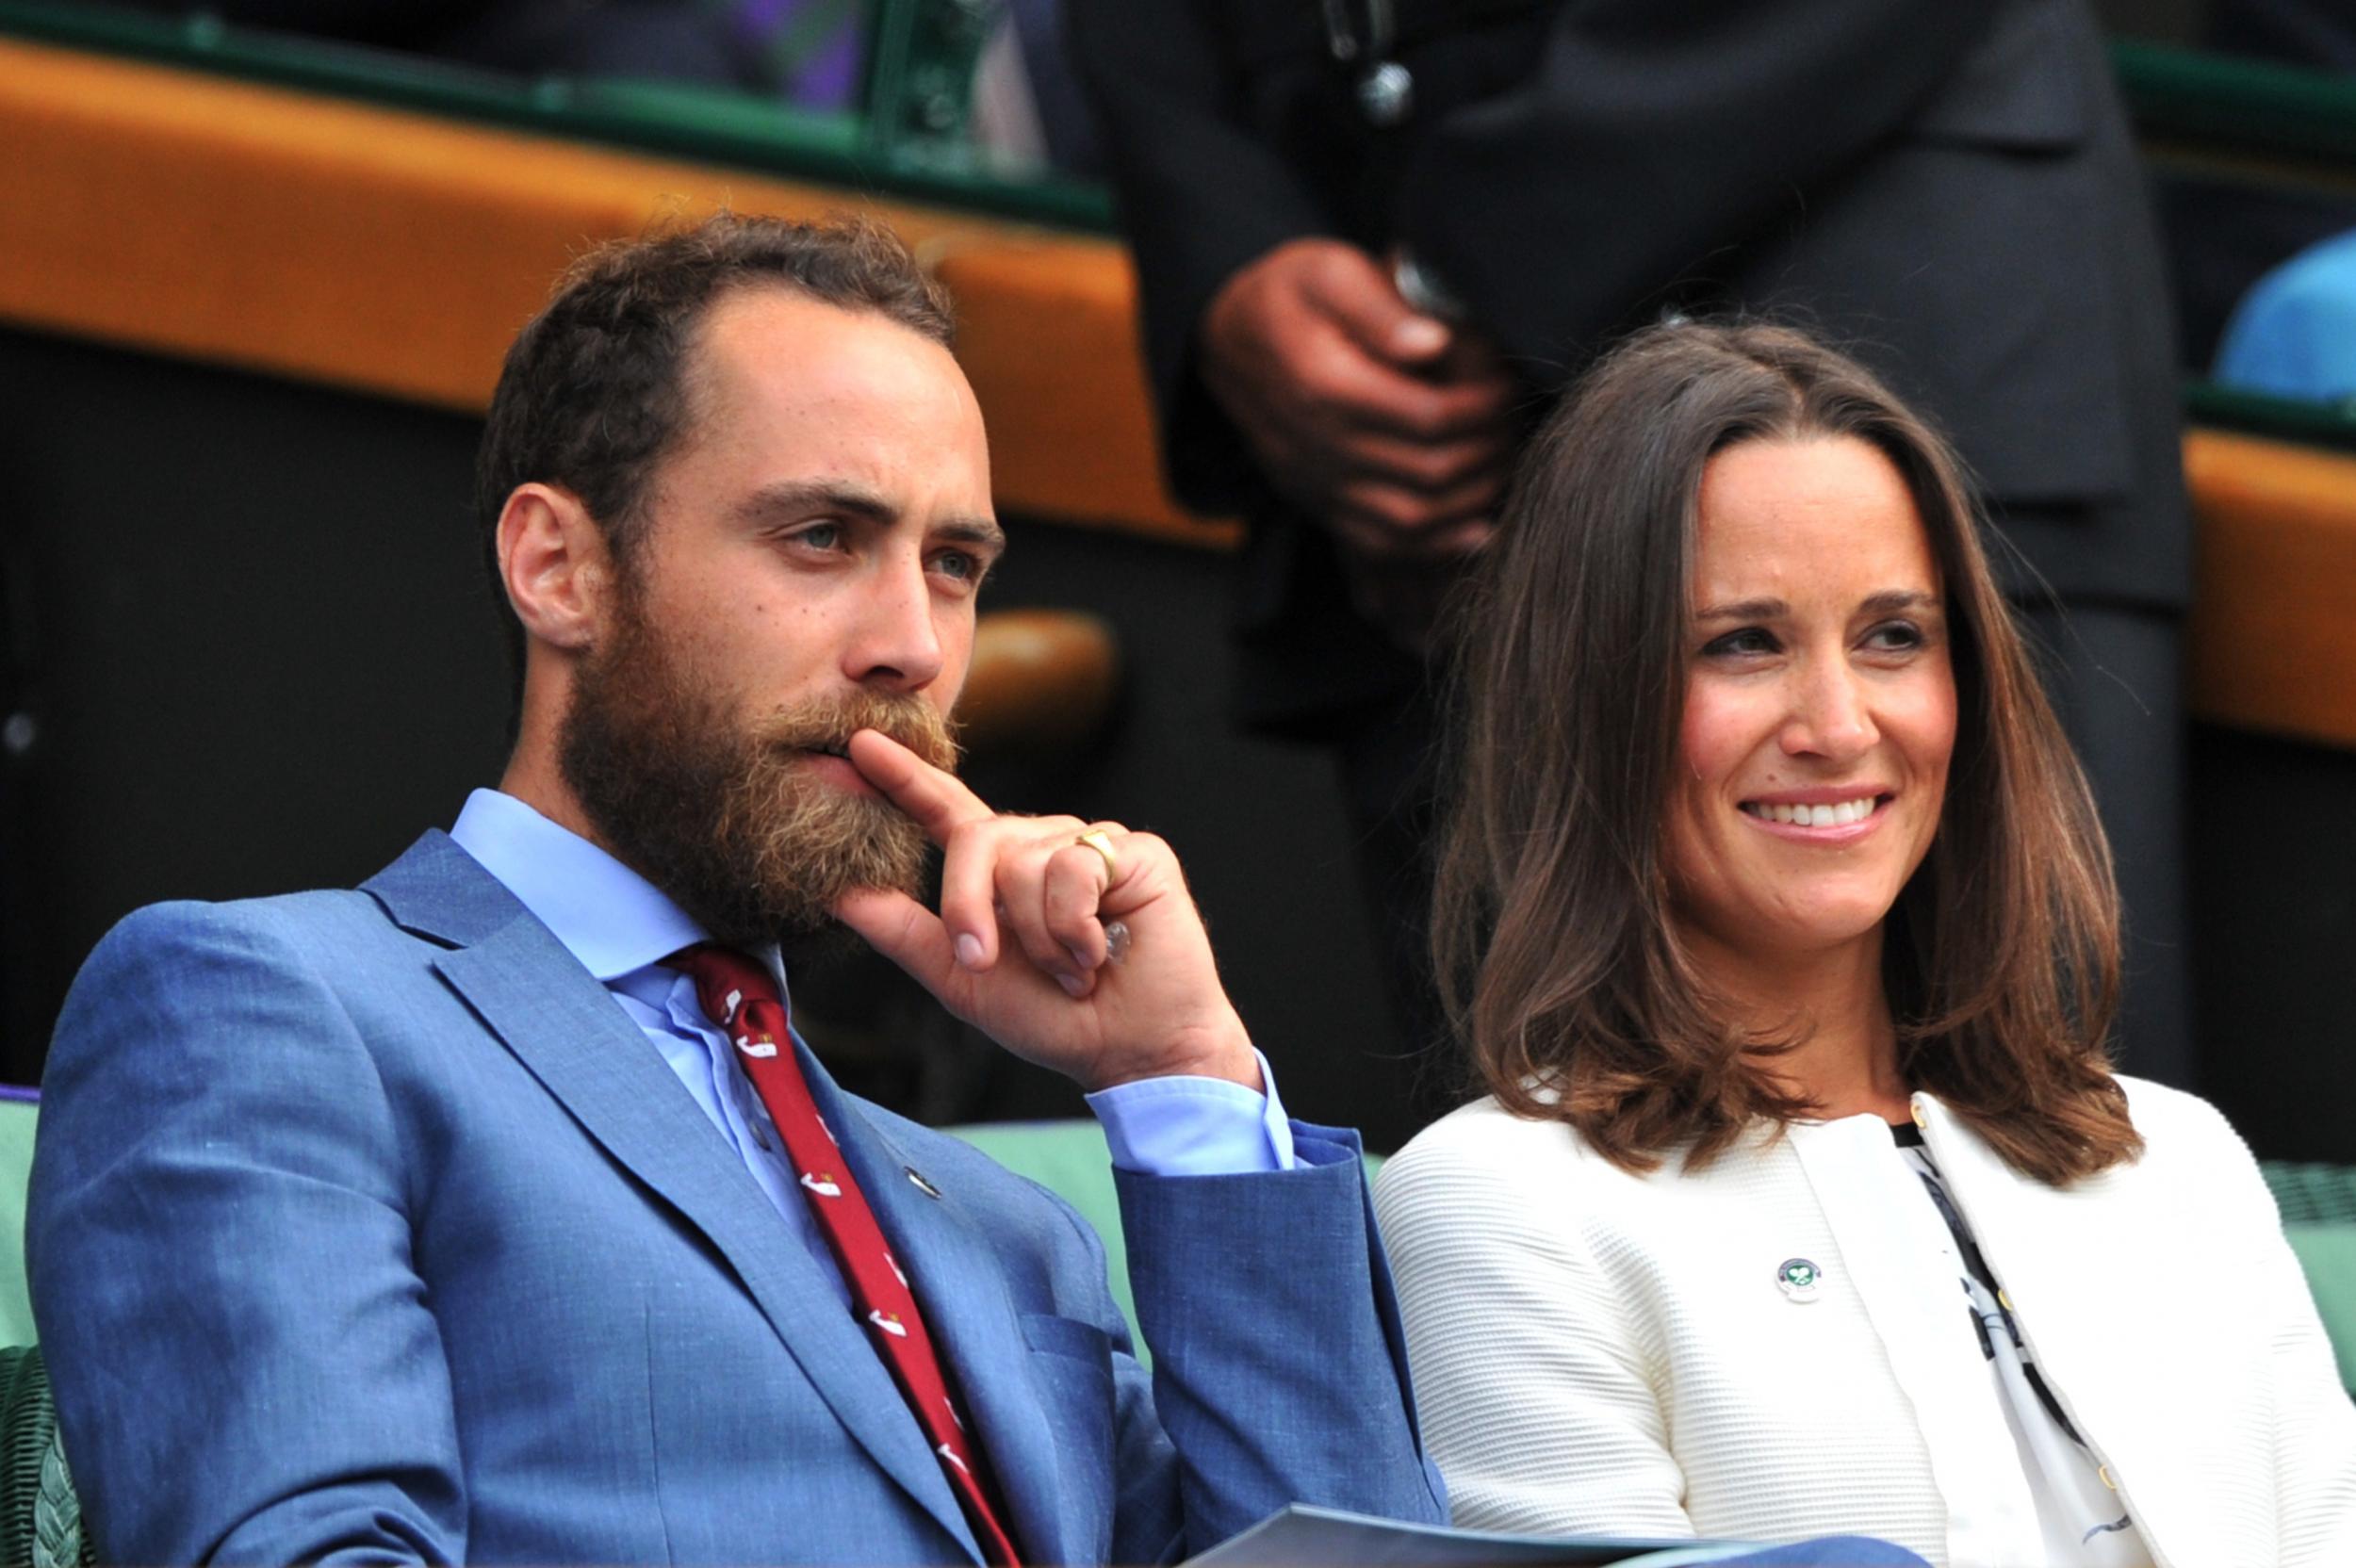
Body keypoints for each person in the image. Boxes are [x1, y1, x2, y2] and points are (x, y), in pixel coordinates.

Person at [24, 213, 1449, 1565]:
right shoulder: (273, 1010)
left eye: (954, 565)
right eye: (823, 538)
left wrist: (1179, 1079)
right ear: (559, 566)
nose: (913, 646)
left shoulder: (1007, 1227)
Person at [1066, 0, 2197, 1134]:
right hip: (1385, 421)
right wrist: (1230, 248)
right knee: (1546, 1175)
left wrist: (1442, 277)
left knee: (2040, 1165)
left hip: (1878, 251)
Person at [1372, 323, 2356, 1567]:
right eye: (1744, 642)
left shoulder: (2181, 1161)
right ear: (1592, 702)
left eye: (1895, 636)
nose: (1839, 725)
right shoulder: (1500, 1209)